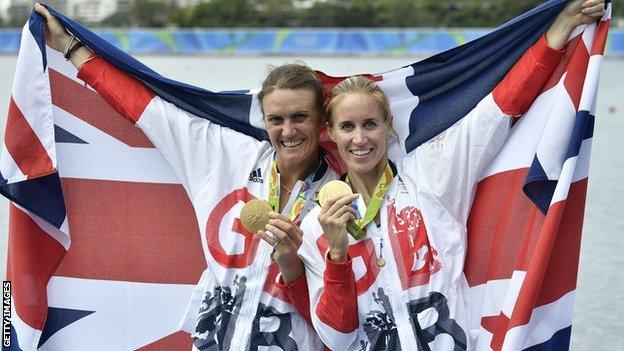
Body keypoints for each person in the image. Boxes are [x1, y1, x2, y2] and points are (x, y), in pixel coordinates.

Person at [297, 0, 606, 350]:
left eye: (370, 124)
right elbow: (338, 340)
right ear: (331, 133)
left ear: (388, 127)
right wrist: (337, 253)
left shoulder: (430, 176)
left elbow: (498, 110)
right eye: (347, 127)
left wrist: (560, 30)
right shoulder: (315, 229)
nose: (360, 138)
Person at [34, 3, 334, 350]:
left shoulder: (340, 195)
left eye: (300, 117)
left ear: (321, 121)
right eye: (276, 120)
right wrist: (71, 48)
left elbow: (342, 319)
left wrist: (293, 267)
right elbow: (149, 110)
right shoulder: (226, 156)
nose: (288, 131)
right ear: (263, 121)